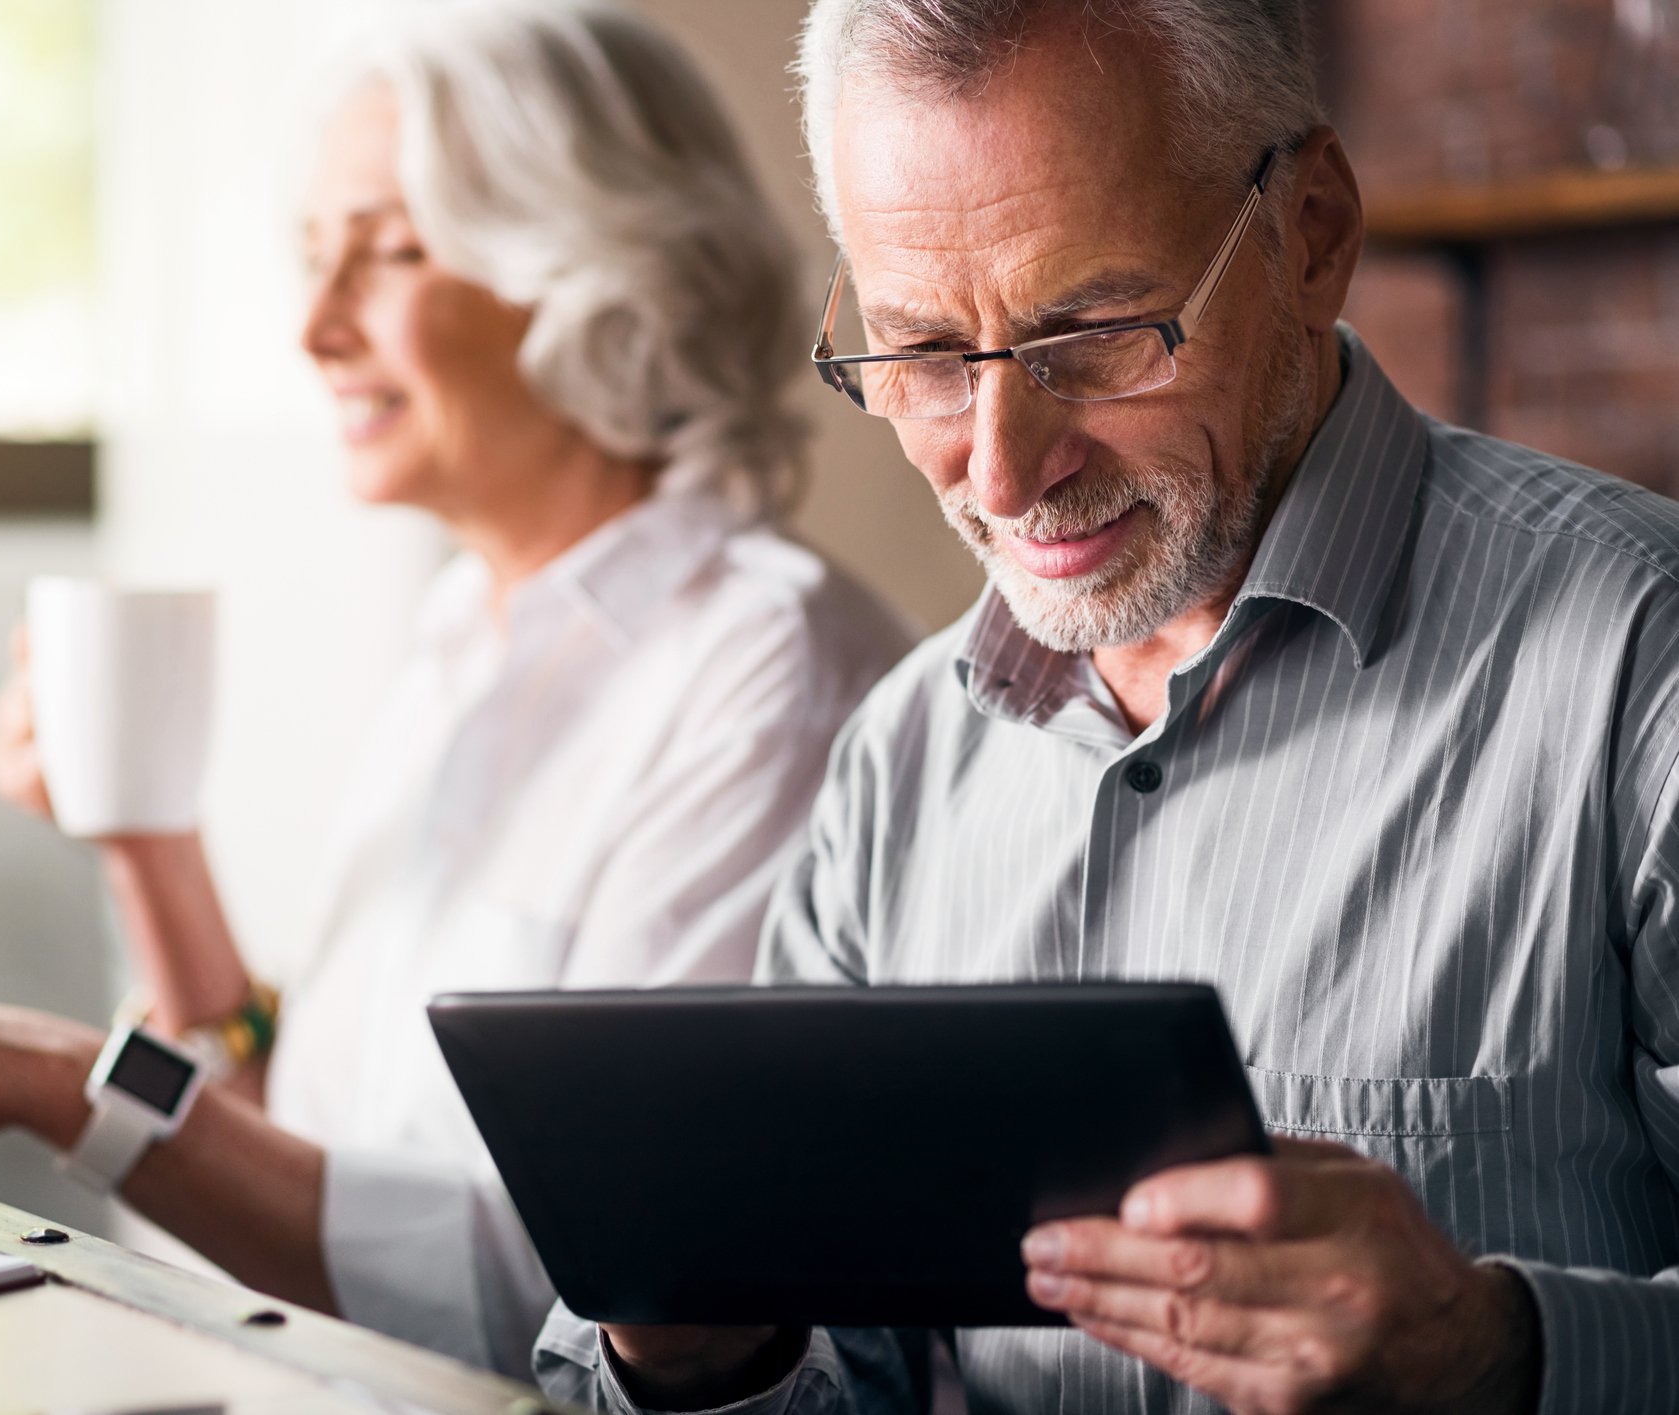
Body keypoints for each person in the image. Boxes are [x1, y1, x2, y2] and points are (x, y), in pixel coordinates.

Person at [0, 0, 911, 1382]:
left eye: (391, 251)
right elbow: (302, 1148)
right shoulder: (468, 632)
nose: (317, 328)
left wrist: (44, 1078)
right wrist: (146, 841)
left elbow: (585, 1295)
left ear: (601, 270)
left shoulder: (769, 675)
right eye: (312, 257)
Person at [529, 2, 1679, 1413]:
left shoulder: (1641, 668)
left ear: (1312, 232)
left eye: (1094, 335)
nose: (1002, 474)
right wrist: (707, 1357)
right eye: (925, 354)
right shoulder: (899, 766)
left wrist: (1500, 1351)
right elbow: (857, 1377)